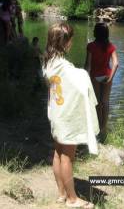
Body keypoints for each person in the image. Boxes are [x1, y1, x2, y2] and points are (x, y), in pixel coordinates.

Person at [43, 23, 99, 209]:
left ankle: (61, 194)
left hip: (56, 114)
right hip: (67, 117)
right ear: (65, 42)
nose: (72, 42)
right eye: (71, 39)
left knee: (58, 153)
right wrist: (84, 73)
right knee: (67, 156)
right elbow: (79, 81)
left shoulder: (49, 62)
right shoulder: (64, 67)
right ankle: (73, 199)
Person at [85, 23, 119, 142]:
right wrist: (110, 78)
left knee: (97, 103)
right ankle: (104, 128)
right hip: (107, 75)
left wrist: (86, 78)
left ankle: (98, 129)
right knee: (105, 102)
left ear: (95, 33)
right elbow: (116, 63)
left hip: (95, 76)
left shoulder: (90, 46)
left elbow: (88, 65)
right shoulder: (110, 46)